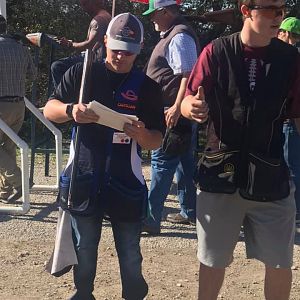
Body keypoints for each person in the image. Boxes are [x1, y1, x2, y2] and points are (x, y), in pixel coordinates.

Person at [181, 1, 300, 299]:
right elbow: (186, 101)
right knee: (211, 261)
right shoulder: (216, 51)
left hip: (271, 176)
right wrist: (189, 107)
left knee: (280, 261)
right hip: (220, 175)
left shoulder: (291, 58)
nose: (279, 17)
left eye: (282, 10)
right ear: (246, 10)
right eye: (272, 9)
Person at [44, 13, 165, 300]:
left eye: (129, 52)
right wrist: (72, 110)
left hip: (127, 180)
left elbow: (157, 141)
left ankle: (134, 294)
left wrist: (142, 135)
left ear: (139, 50)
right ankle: (83, 293)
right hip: (84, 176)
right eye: (116, 49)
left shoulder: (147, 87)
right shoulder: (82, 73)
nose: (121, 57)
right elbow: (49, 108)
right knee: (84, 248)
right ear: (106, 41)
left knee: (130, 252)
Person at [141, 0, 199, 234]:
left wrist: (175, 107)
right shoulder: (176, 34)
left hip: (172, 111)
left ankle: (151, 219)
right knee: (184, 163)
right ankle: (189, 212)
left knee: (161, 164)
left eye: (154, 14)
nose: (151, 18)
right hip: (176, 110)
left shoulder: (178, 36)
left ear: (164, 12)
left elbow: (188, 74)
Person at [0, 15, 37, 203]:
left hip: (1, 105)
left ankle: (20, 182)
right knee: (8, 147)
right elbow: (33, 74)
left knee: (5, 149)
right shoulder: (20, 47)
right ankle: (4, 191)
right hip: (19, 104)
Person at [51, 0, 111, 89]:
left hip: (94, 60)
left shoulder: (98, 20)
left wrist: (69, 44)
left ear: (93, 3)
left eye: (85, 4)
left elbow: (89, 44)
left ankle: (62, 97)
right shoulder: (106, 16)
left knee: (57, 66)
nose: (84, 8)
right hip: (98, 58)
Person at [278, 17, 300, 222]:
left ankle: (295, 209)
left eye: (294, 36)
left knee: (291, 167)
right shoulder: (275, 56)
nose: (289, 39)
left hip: (290, 121)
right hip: (278, 120)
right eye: (287, 33)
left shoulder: (294, 59)